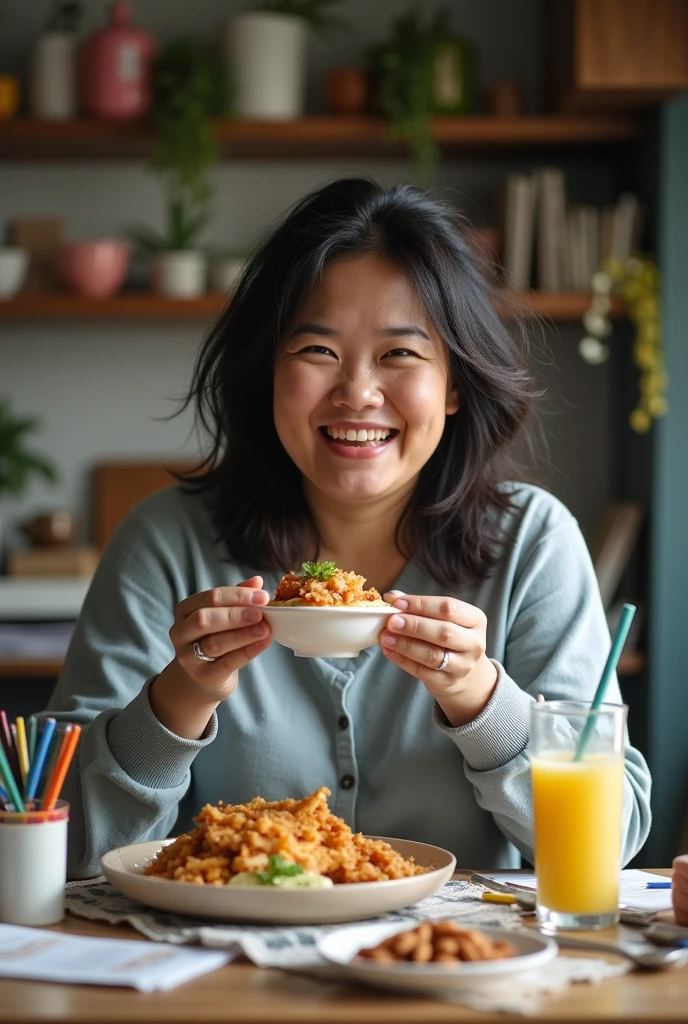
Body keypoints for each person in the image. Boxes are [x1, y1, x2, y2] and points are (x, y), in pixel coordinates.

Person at [47, 177, 651, 878]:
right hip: (231, 974)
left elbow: (609, 846)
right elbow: (59, 845)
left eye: (400, 353)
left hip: (454, 971)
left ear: (454, 384)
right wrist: (178, 700)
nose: (358, 392)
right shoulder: (164, 542)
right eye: (317, 351)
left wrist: (483, 701)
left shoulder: (534, 542)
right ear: (266, 373)